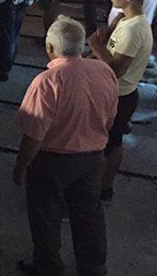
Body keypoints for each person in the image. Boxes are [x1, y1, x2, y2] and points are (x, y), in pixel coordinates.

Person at [13, 16, 116, 276]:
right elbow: (110, 118)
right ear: (82, 45)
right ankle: (93, 267)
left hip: (52, 161)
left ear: (50, 47)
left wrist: (21, 167)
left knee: (46, 216)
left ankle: (48, 268)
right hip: (93, 159)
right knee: (89, 213)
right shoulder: (104, 71)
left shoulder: (47, 81)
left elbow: (34, 135)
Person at [88, 0, 153, 203]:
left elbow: (116, 70)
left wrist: (96, 47)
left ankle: (103, 189)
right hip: (112, 92)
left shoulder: (135, 30)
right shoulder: (125, 20)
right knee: (108, 140)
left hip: (120, 96)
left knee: (111, 143)